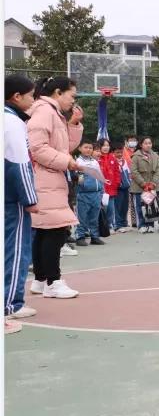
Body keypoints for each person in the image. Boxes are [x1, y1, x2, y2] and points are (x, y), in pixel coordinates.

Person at [27, 76, 83, 299]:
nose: (73, 101)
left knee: (44, 231)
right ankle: (53, 281)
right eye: (72, 96)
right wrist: (67, 162)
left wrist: (74, 124)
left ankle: (41, 280)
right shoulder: (44, 111)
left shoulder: (54, 113)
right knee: (55, 232)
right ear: (58, 92)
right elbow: (37, 148)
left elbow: (62, 146)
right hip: (45, 180)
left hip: (49, 180)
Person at [5, 75, 39, 332]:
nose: (33, 99)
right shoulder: (12, 123)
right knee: (15, 250)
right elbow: (19, 164)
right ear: (17, 96)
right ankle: (10, 304)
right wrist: (30, 199)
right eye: (31, 95)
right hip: (11, 199)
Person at [74, 141, 106, 246]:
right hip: (84, 194)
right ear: (80, 148)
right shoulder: (78, 162)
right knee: (82, 216)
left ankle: (95, 237)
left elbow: (100, 176)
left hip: (96, 194)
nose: (88, 150)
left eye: (90, 148)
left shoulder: (95, 162)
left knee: (94, 216)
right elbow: (79, 179)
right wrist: (82, 186)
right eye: (86, 147)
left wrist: (101, 190)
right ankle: (80, 236)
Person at [130, 136, 159, 233]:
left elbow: (158, 170)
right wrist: (143, 184)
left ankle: (150, 225)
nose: (148, 145)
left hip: (152, 186)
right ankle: (142, 225)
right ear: (141, 145)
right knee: (140, 207)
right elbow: (134, 171)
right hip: (139, 187)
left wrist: (153, 183)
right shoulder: (136, 156)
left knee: (151, 206)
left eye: (150, 143)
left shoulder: (155, 156)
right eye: (146, 143)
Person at [98, 139, 121, 233]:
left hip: (111, 189)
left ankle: (109, 225)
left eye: (107, 145)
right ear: (99, 147)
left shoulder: (112, 158)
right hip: (100, 189)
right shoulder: (97, 158)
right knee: (101, 209)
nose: (106, 147)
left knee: (110, 209)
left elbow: (117, 172)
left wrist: (116, 183)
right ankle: (99, 227)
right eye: (103, 145)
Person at [112, 143, 132, 233]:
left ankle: (124, 222)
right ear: (113, 153)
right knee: (118, 206)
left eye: (121, 152)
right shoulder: (112, 162)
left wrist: (129, 182)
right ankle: (118, 224)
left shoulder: (124, 161)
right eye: (117, 152)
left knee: (125, 206)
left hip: (126, 187)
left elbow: (128, 174)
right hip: (118, 189)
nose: (119, 154)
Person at [124, 135, 139, 229]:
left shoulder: (139, 151)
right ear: (126, 141)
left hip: (139, 180)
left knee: (139, 200)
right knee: (130, 202)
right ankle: (133, 221)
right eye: (131, 140)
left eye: (134, 140)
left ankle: (141, 219)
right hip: (128, 180)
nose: (133, 142)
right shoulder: (124, 151)